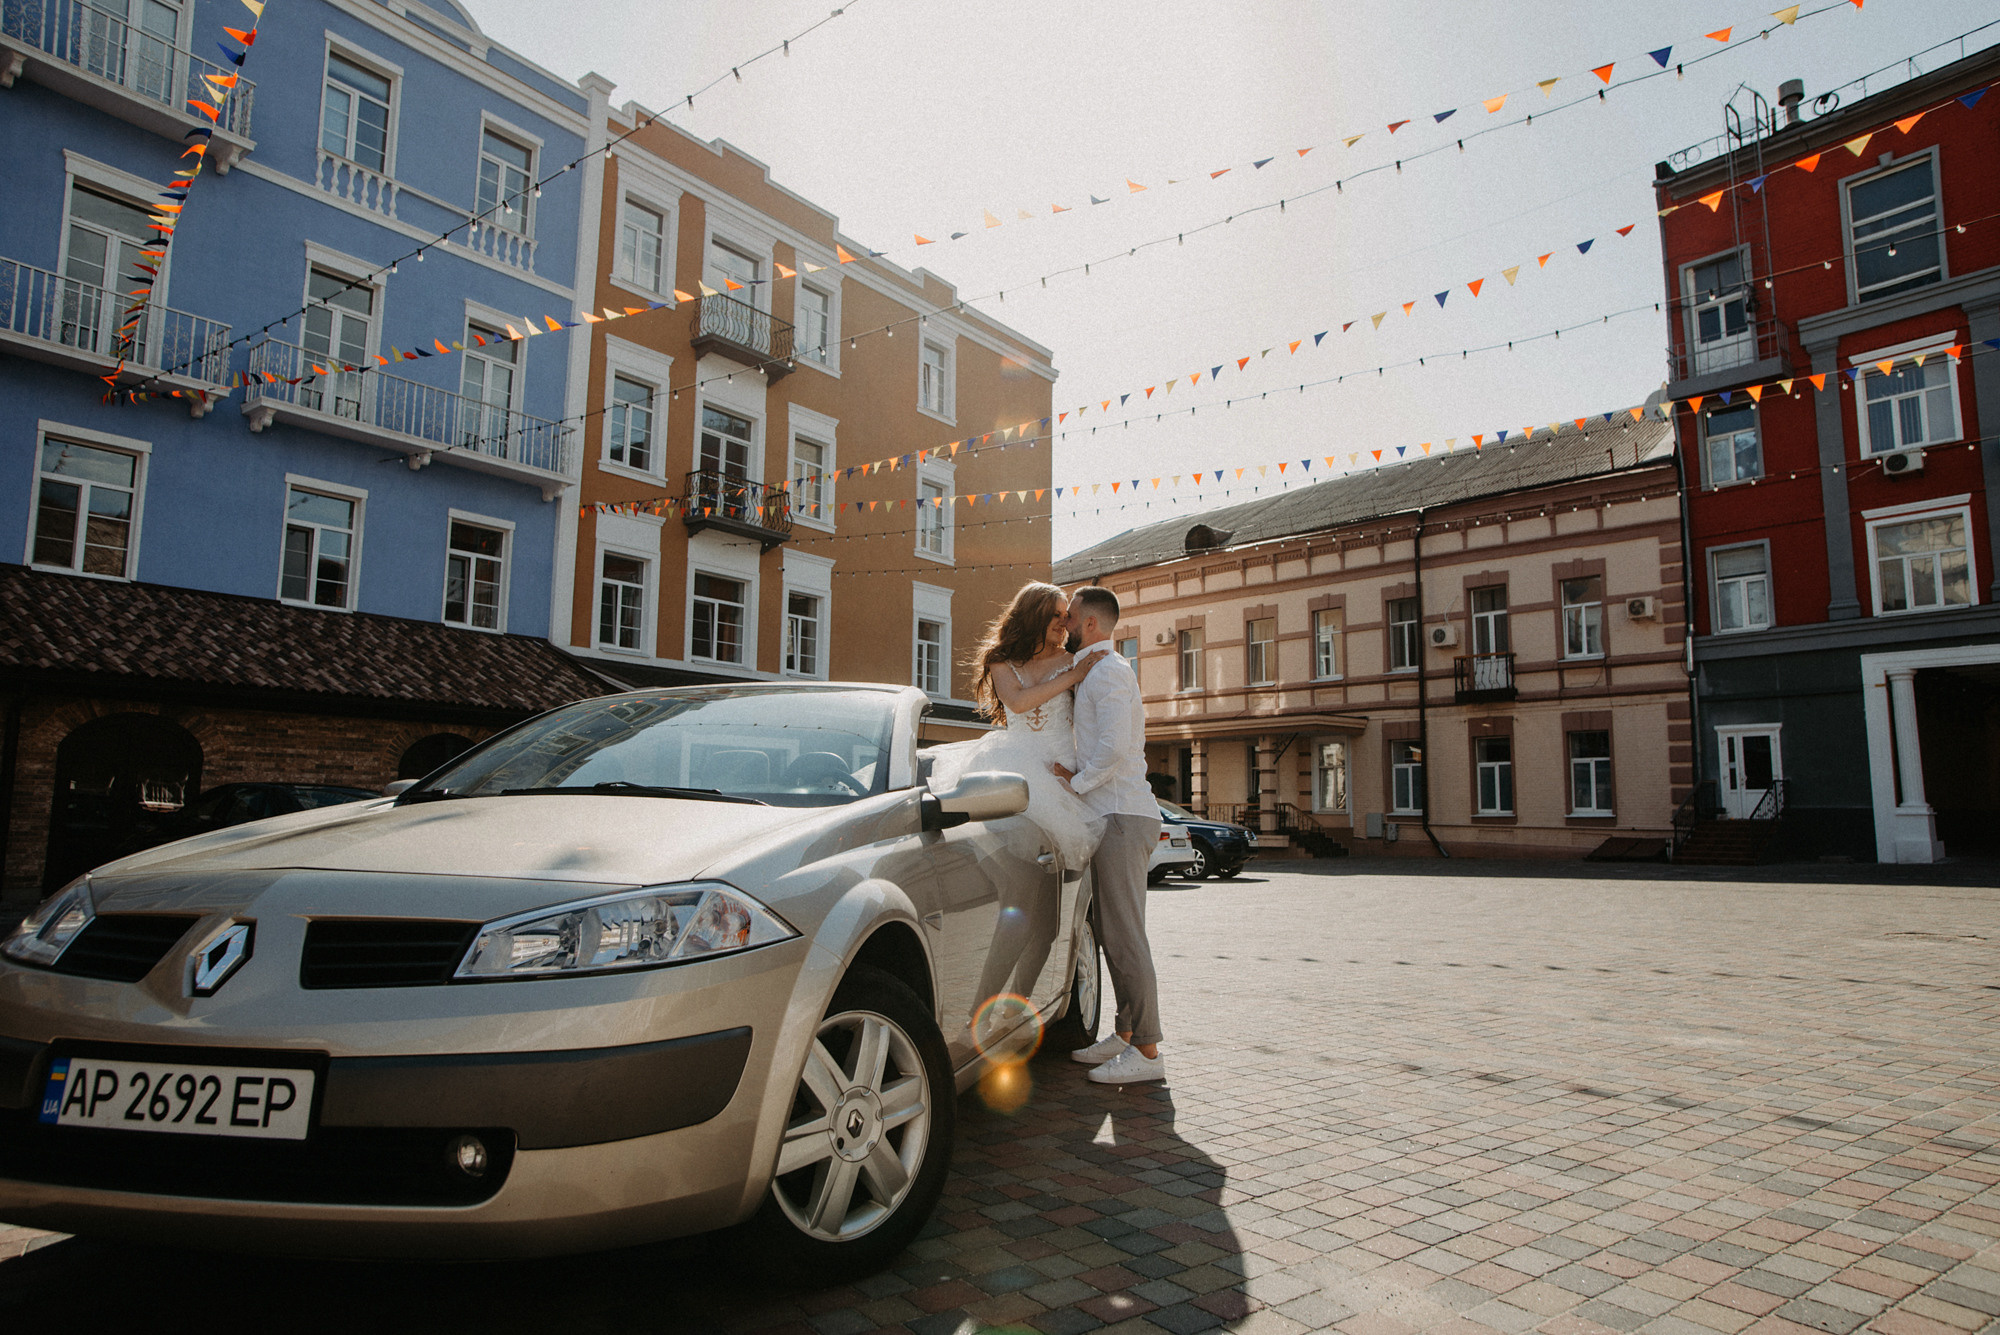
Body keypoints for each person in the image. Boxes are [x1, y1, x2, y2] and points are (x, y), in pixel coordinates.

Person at [1053, 585, 1168, 1085]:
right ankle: (1124, 1037)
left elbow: (1116, 747)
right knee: (1112, 932)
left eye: (1071, 618)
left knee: (1124, 937)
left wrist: (1075, 782)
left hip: (1122, 814)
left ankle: (1146, 1051)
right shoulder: (1095, 672)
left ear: (1092, 625)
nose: (1065, 626)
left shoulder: (1110, 673)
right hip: (1112, 816)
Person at [928, 582, 1105, 873]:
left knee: (1059, 864)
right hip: (1015, 765)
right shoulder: (1002, 661)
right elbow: (1018, 702)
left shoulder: (1075, 661)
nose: (1064, 622)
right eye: (1055, 615)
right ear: (1034, 616)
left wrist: (1082, 773)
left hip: (1060, 771)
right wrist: (1074, 676)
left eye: (1066, 615)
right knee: (1011, 859)